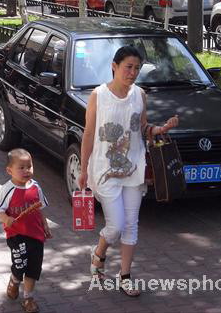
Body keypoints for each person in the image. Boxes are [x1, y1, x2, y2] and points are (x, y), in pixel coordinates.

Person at [77, 46, 179, 297]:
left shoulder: (140, 95)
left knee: (131, 224)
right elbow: (89, 133)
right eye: (128, 67)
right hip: (104, 169)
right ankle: (99, 253)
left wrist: (161, 129)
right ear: (114, 66)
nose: (132, 73)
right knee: (116, 225)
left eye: (137, 68)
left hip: (134, 168)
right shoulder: (98, 95)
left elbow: (143, 128)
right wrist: (83, 167)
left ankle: (125, 276)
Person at [0, 148, 51, 313]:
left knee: (33, 268)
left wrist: (45, 226)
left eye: (29, 166)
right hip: (17, 235)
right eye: (22, 167)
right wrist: (6, 219)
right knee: (20, 266)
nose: (27, 170)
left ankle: (28, 298)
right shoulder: (8, 189)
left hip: (36, 235)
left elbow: (39, 208)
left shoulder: (36, 187)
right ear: (9, 170)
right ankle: (14, 280)